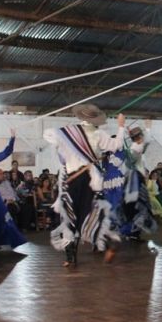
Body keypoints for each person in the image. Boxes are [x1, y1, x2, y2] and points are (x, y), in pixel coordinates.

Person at [44, 104, 126, 266]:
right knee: (90, 213)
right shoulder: (99, 134)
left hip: (72, 180)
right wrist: (121, 126)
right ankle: (108, 240)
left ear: (81, 117)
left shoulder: (69, 132)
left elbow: (49, 136)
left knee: (69, 217)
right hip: (91, 180)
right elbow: (117, 145)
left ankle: (70, 258)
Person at [122, 125, 157, 240]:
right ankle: (133, 232)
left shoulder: (133, 148)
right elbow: (148, 141)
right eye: (141, 135)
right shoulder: (136, 148)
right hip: (136, 180)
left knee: (133, 207)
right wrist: (148, 128)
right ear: (139, 137)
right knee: (139, 206)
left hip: (132, 180)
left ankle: (133, 232)